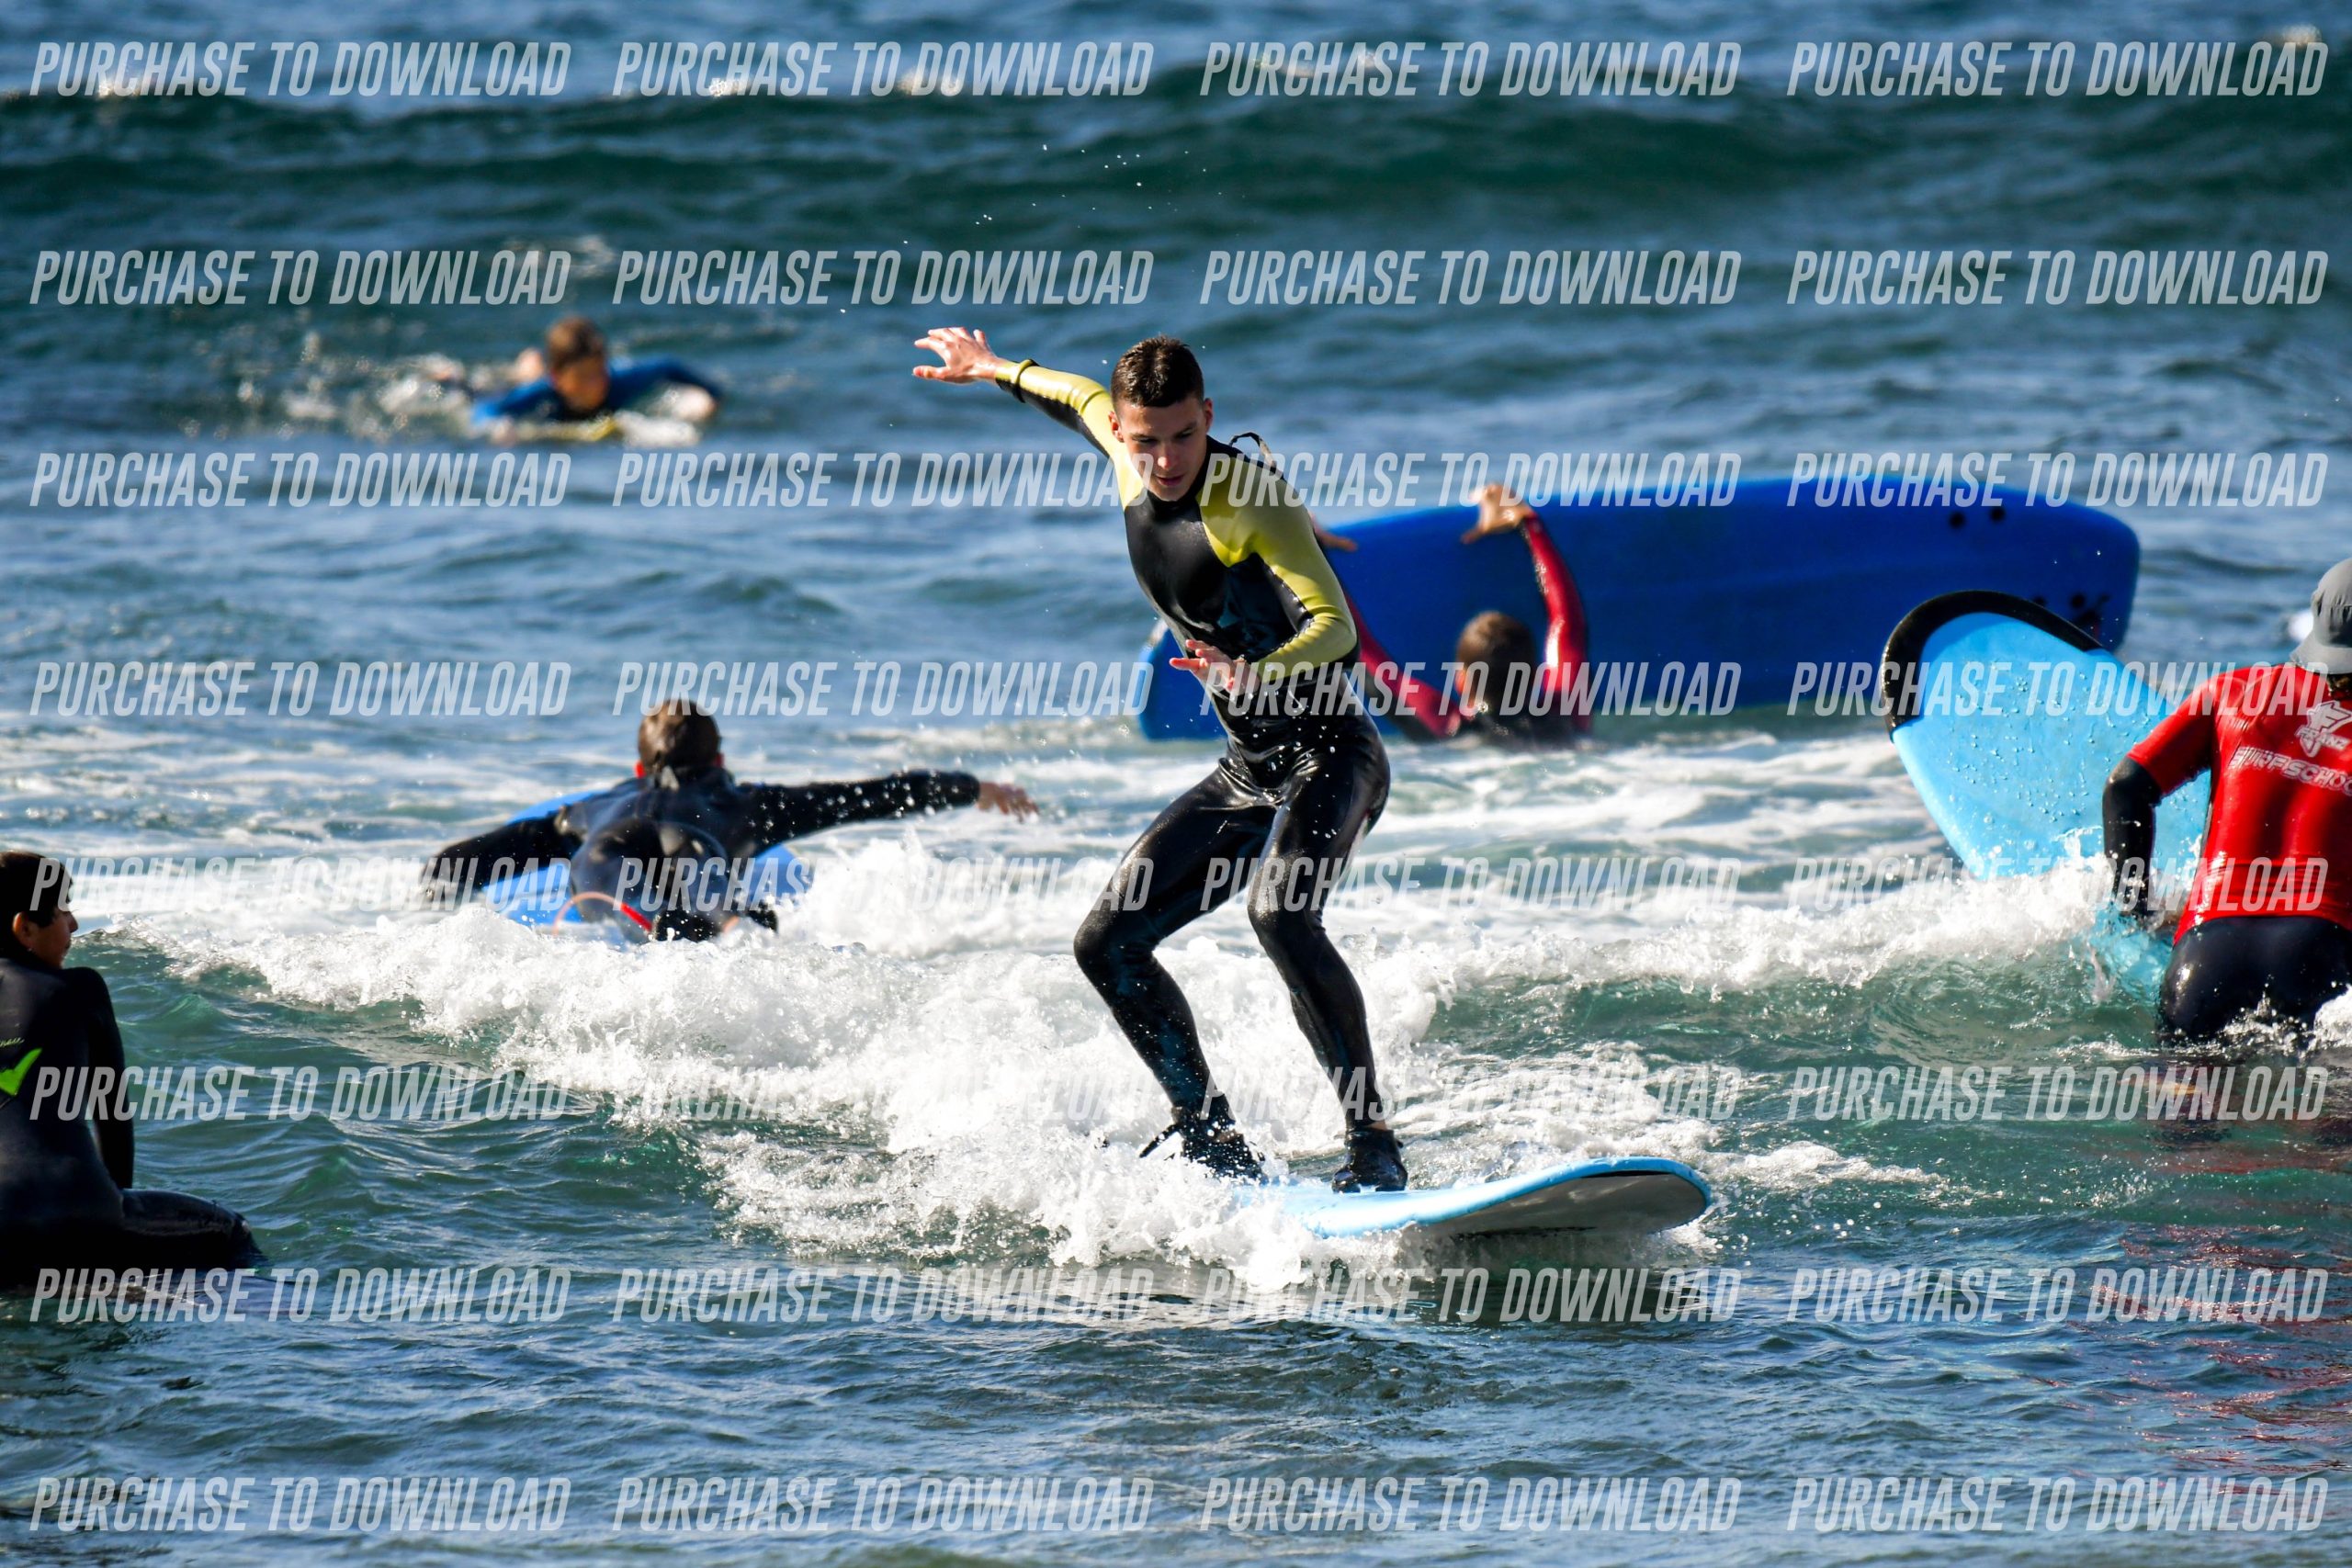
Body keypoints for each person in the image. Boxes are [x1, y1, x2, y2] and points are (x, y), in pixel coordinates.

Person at [913, 326, 1408, 1190]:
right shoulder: (1124, 450)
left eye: (1184, 435)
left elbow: (1337, 629)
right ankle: (1208, 1131)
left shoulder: (1250, 498)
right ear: (1125, 432)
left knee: (1281, 915)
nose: (1167, 460)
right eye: (1146, 440)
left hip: (1333, 753)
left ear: (1207, 415)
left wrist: (1255, 669)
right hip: (1250, 769)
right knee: (1107, 942)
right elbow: (1074, 396)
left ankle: (1373, 1143)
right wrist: (991, 368)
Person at [424, 699, 1035, 939]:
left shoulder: (590, 808)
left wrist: (437, 886)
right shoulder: (751, 804)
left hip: (607, 846)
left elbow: (474, 856)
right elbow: (866, 796)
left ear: (638, 767)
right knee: (713, 913)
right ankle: (721, 922)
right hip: (700, 844)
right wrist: (974, 788)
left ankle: (633, 919)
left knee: (610, 910)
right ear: (719, 761)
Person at [2105, 558, 2352, 1040]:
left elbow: (2126, 786)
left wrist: (2135, 910)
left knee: (2178, 1085)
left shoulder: (2233, 691)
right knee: (2313, 1090)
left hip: (2206, 949)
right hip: (2322, 953)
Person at [0, 852, 264, 1284]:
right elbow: (113, 1118)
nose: (74, 924)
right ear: (25, 928)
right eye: (63, 910)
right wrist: (114, 1208)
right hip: (74, 1209)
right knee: (231, 1233)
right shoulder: (79, 987)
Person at [1353, 483, 1591, 745]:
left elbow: (1362, 650)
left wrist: (1318, 553)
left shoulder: (1449, 726)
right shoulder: (1566, 715)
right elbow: (1567, 624)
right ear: (1535, 675)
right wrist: (1530, 524)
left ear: (1461, 680)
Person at [462, 316, 722, 431]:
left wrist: (709, 394)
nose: (596, 383)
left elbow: (668, 366)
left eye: (599, 372)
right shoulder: (543, 393)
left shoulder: (619, 382)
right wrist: (500, 429)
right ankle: (528, 366)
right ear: (559, 378)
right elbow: (486, 409)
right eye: (584, 377)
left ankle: (531, 364)